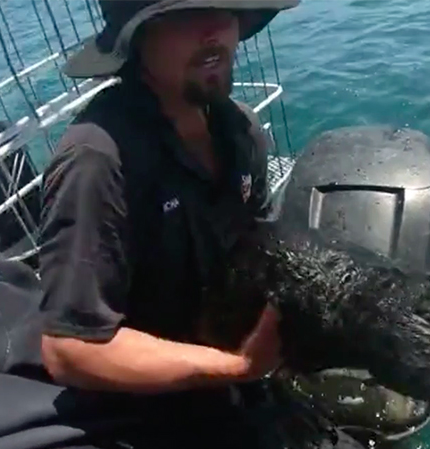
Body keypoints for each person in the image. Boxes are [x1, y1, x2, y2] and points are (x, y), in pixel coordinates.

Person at [38, 0, 297, 395]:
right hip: (143, 402)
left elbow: (259, 250)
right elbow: (70, 349)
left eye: (227, 11)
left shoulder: (239, 129)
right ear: (138, 39)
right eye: (187, 16)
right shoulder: (98, 160)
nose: (213, 30)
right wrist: (239, 367)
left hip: (226, 355)